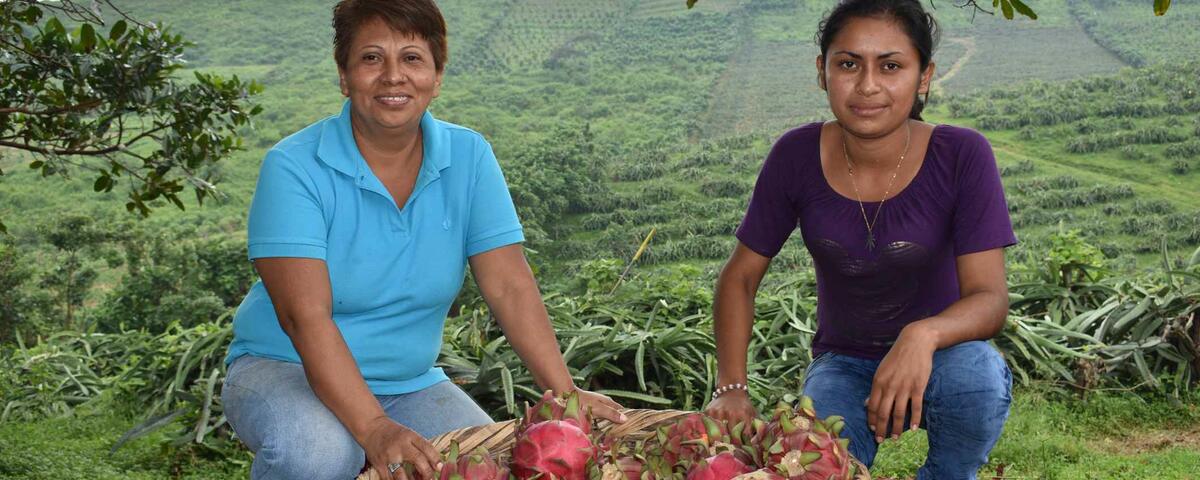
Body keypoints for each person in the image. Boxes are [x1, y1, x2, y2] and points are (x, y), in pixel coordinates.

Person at [219, 1, 624, 479]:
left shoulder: (468, 156)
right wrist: (373, 427)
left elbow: (509, 285)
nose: (394, 76)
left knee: (483, 465)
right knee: (320, 452)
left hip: (406, 381)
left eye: (412, 58)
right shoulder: (295, 167)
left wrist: (564, 395)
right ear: (344, 76)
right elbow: (303, 316)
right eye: (371, 58)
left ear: (436, 75)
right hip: (284, 366)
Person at [704, 1, 1015, 478]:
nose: (868, 85)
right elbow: (740, 278)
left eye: (891, 66)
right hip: (844, 362)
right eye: (848, 64)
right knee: (817, 462)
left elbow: (989, 299)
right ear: (822, 72)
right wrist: (731, 388)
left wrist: (921, 334)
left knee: (979, 380)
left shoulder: (962, 155)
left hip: (945, 359)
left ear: (924, 76)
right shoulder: (796, 155)